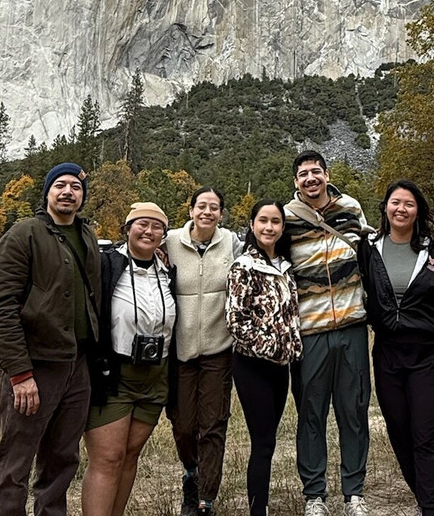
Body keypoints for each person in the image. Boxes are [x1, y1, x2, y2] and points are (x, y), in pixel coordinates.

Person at [0, 162, 101, 516]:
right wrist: (19, 374)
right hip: (35, 367)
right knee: (15, 462)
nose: (68, 192)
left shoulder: (88, 236)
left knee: (63, 459)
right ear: (47, 192)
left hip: (77, 366)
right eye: (60, 185)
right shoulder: (24, 234)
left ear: (82, 196)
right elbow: (0, 308)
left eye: (75, 187)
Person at [356, 180, 434, 516]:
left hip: (432, 353)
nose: (401, 209)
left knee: (427, 433)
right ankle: (423, 491)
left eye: (409, 204)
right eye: (395, 202)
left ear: (418, 210)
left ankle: (430, 507)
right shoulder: (369, 247)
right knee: (398, 430)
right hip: (387, 353)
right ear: (385, 207)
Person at [284, 150, 371, 516]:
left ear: (326, 174)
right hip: (311, 330)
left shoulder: (350, 208)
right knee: (311, 413)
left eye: (315, 171)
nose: (310, 178)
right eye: (303, 174)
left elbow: (370, 254)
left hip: (351, 325)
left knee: (353, 411)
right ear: (295, 182)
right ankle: (314, 495)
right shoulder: (287, 218)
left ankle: (354, 492)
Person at [83, 202, 177, 516]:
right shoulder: (106, 264)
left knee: (129, 455)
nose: (149, 231)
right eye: (142, 224)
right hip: (114, 374)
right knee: (108, 459)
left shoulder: (168, 271)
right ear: (128, 228)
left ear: (164, 234)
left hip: (155, 375)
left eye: (157, 226)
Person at [163, 187, 242, 516]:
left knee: (213, 425)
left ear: (221, 214)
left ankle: (205, 498)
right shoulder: (169, 241)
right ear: (191, 209)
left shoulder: (232, 244)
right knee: (183, 425)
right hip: (180, 351)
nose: (207, 212)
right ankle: (192, 473)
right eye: (201, 206)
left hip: (218, 350)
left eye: (214, 208)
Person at [226, 199, 304, 516]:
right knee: (262, 441)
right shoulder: (243, 267)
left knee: (270, 440)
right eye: (263, 221)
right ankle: (258, 509)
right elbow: (236, 321)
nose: (269, 227)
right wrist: (272, 348)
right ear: (252, 225)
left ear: (282, 227)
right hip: (251, 365)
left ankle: (263, 504)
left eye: (275, 222)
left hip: (281, 367)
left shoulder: (286, 266)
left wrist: (291, 349)